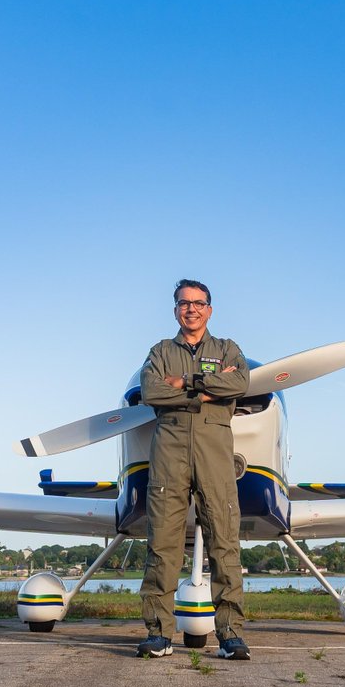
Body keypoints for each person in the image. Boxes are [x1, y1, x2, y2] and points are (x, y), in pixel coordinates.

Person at [135, 279, 252, 660]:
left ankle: (231, 634)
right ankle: (159, 634)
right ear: (175, 310)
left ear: (210, 310)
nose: (191, 309)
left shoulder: (228, 348)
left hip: (215, 453)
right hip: (169, 451)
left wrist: (186, 383)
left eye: (198, 304)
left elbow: (240, 381)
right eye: (184, 303)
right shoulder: (160, 351)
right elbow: (151, 391)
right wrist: (208, 392)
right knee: (163, 544)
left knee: (224, 541)